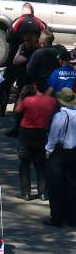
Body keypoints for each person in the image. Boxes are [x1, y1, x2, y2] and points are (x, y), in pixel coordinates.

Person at [15, 79, 56, 201]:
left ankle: (26, 192)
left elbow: (17, 110)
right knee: (41, 165)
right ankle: (42, 193)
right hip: (41, 133)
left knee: (24, 164)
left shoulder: (28, 101)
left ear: (35, 87)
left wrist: (22, 95)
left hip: (26, 134)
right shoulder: (51, 101)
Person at [44, 88, 76, 227]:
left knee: (55, 186)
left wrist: (48, 150)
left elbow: (53, 136)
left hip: (60, 152)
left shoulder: (61, 116)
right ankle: (71, 217)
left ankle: (57, 217)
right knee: (72, 186)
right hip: (74, 153)